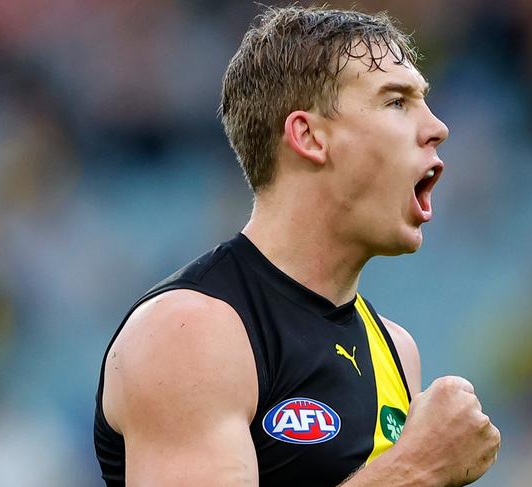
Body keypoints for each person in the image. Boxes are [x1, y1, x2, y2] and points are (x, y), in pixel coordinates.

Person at [94, 5, 500, 486]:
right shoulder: (189, 331)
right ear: (308, 136)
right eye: (397, 102)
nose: (438, 128)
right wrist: (417, 467)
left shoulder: (395, 349)